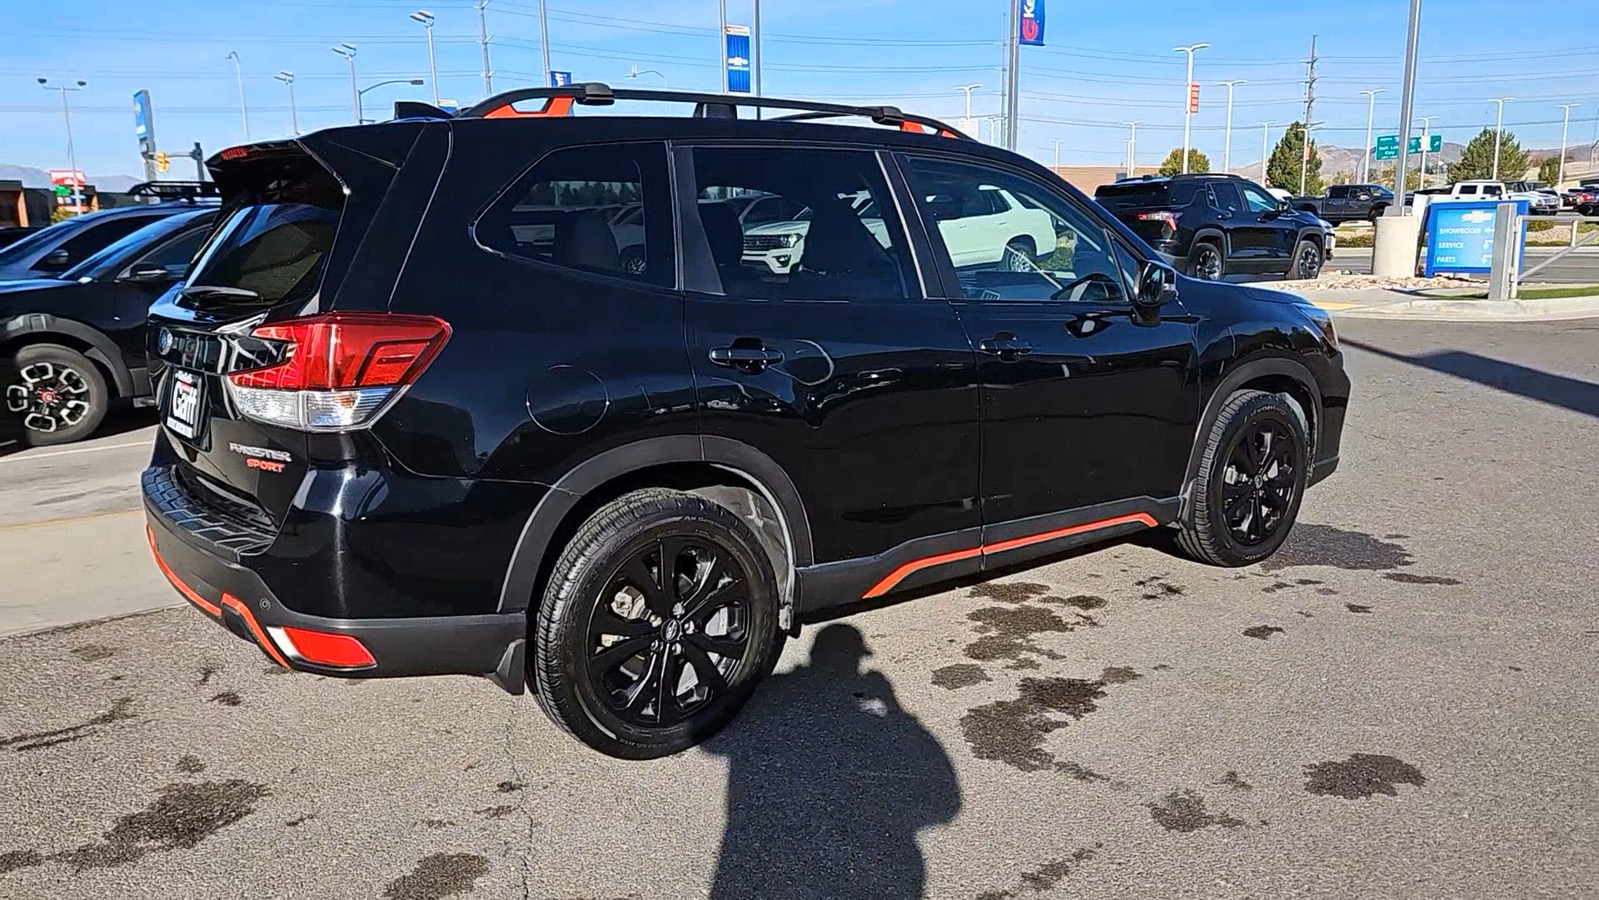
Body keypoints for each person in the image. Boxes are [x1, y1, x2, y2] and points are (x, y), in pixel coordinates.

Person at [706, 623, 961, 900]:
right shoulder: (849, 708)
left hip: (752, 850)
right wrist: (895, 709)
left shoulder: (780, 686)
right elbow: (945, 804)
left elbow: (713, 744)